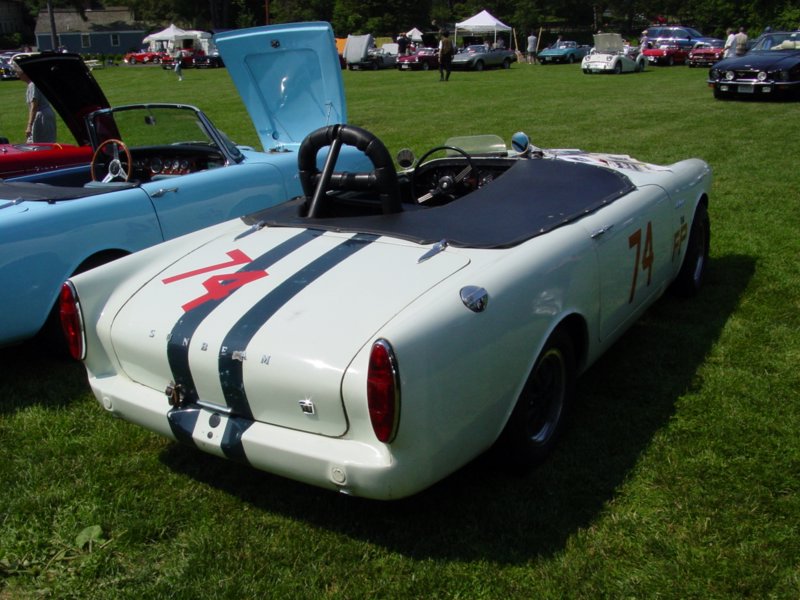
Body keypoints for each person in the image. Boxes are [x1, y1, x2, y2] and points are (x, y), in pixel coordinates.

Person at [13, 60, 56, 143]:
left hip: (42, 116)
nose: (17, 75)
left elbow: (34, 106)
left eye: (17, 72)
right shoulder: (33, 84)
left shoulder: (33, 85)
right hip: (44, 114)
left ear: (24, 73)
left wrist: (29, 125)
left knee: (41, 144)